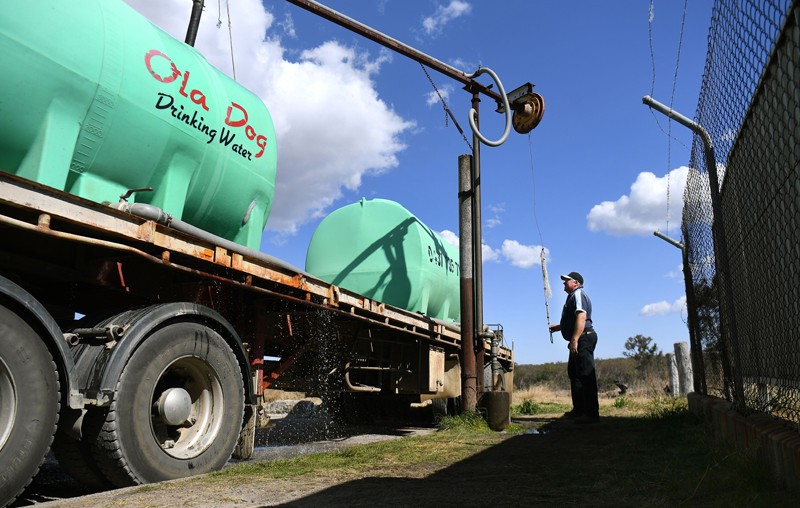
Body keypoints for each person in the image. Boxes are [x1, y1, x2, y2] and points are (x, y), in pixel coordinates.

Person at [548, 271, 599, 423]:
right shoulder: (572, 296)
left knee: (585, 374)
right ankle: (579, 410)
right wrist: (560, 327)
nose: (564, 283)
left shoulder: (578, 294)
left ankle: (591, 414)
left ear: (576, 283)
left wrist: (575, 339)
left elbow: (582, 317)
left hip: (583, 338)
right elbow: (574, 319)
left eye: (567, 281)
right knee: (575, 374)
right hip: (579, 339)